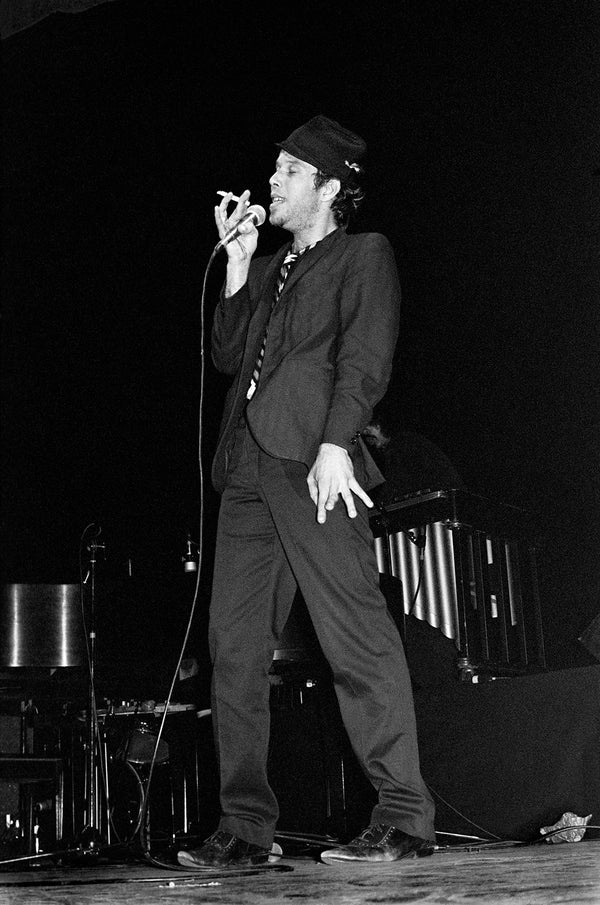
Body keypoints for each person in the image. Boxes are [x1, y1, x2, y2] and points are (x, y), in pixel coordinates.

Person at [177, 115, 435, 869]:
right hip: (249, 470)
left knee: (353, 632)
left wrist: (335, 443)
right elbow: (228, 353)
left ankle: (405, 814)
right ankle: (246, 827)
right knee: (234, 649)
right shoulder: (270, 269)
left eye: (289, 172)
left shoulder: (363, 255)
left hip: (312, 460)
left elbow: (365, 356)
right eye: (276, 169)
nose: (273, 181)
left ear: (328, 187)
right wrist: (237, 264)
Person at [361, 414, 464, 508]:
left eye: (367, 430)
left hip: (445, 495)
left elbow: (397, 479)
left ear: (378, 427)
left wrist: (380, 504)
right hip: (444, 494)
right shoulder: (401, 442)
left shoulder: (402, 443)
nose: (367, 437)